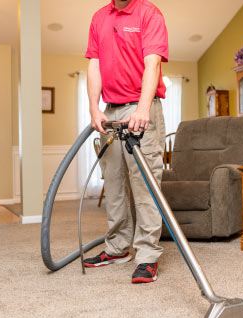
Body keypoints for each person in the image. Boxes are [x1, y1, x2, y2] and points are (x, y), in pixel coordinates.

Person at [83, 0, 168, 284]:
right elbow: (94, 64)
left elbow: (152, 62)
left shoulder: (149, 13)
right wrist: (94, 108)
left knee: (145, 183)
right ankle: (118, 248)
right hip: (110, 110)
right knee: (115, 181)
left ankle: (147, 257)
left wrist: (143, 108)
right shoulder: (99, 18)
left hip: (141, 106)